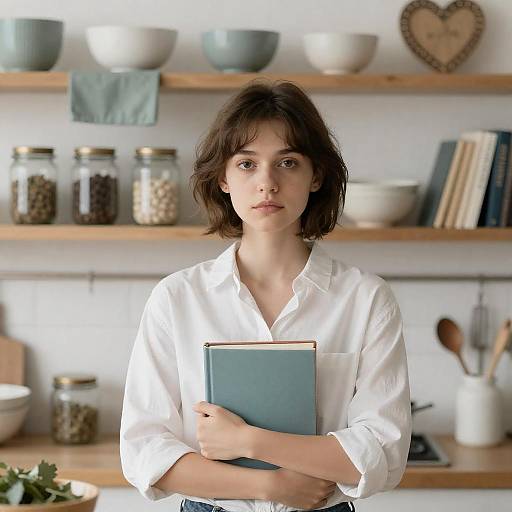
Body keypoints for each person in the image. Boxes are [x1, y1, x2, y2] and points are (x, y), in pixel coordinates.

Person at [120, 80, 412, 512]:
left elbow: (382, 452)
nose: (267, 183)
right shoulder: (177, 298)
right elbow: (144, 453)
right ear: (222, 177)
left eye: (288, 162)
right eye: (247, 164)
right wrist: (271, 486)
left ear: (316, 176)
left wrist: (247, 441)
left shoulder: (366, 299)